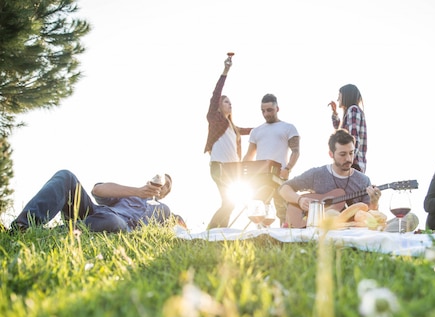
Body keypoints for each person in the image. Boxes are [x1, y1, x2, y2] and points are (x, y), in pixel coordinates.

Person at [9, 169, 184, 232]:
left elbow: (180, 229)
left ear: (165, 193)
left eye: (167, 185)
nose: (162, 184)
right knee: (66, 176)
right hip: (94, 213)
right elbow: (97, 190)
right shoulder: (130, 194)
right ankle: (22, 227)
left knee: (112, 220)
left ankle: (47, 234)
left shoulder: (164, 210)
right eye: (161, 181)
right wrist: (138, 192)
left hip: (122, 226)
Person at [278, 129, 381, 228]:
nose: (348, 159)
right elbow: (283, 188)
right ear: (331, 154)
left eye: (351, 153)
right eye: (342, 154)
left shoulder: (363, 180)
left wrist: (374, 202)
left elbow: (369, 218)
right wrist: (299, 200)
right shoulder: (317, 174)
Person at [204, 54, 253, 229]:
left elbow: (253, 131)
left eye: (231, 102)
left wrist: (271, 126)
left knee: (229, 204)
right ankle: (209, 233)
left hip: (233, 170)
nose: (229, 104)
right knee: (229, 203)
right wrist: (226, 70)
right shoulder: (215, 119)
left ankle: (219, 234)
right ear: (218, 105)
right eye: (226, 102)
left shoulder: (234, 128)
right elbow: (215, 94)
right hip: (220, 167)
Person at [243, 93, 300, 225]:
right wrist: (243, 171)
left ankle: (285, 239)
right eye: (263, 111)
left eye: (269, 110)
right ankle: (261, 239)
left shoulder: (288, 128)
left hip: (280, 176)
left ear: (277, 109)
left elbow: (296, 151)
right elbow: (249, 155)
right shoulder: (256, 131)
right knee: (259, 210)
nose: (266, 114)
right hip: (259, 177)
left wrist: (288, 168)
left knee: (283, 211)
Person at [330, 84, 367, 173]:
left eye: (339, 96)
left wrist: (348, 160)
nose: (338, 99)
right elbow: (340, 132)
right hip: (354, 163)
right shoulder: (351, 111)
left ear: (346, 96)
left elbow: (354, 138)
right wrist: (335, 113)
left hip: (353, 164)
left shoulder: (353, 110)